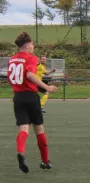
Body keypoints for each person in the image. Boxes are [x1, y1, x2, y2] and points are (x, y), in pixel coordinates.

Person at [7, 32, 58, 173]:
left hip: (18, 97)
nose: (33, 47)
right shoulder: (31, 58)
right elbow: (30, 75)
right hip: (30, 97)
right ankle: (45, 161)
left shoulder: (11, 60)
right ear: (27, 45)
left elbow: (11, 78)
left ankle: (20, 152)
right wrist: (46, 87)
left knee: (23, 129)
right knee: (39, 129)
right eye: (32, 44)